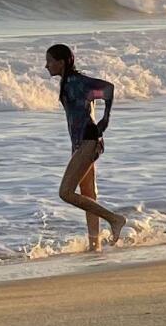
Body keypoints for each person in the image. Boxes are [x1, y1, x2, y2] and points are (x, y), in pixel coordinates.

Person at [45, 43, 128, 251]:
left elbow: (108, 89)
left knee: (65, 192)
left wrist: (106, 119)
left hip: (88, 140)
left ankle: (115, 219)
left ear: (61, 62)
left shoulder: (76, 82)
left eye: (49, 61)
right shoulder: (68, 82)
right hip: (83, 142)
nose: (46, 66)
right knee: (88, 193)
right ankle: (95, 244)